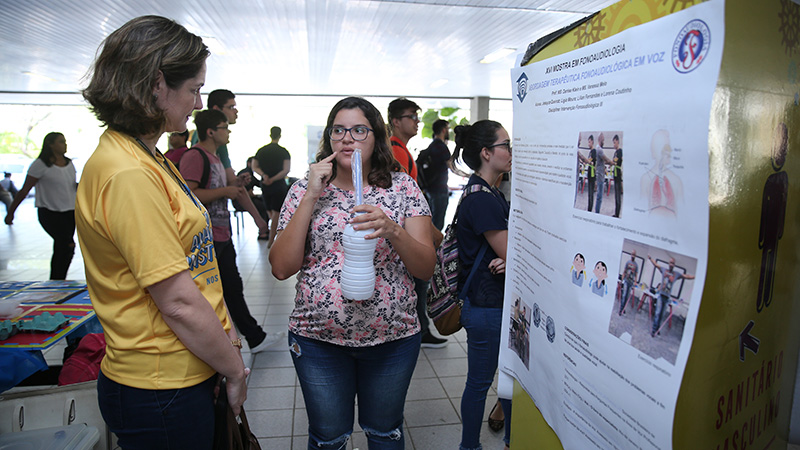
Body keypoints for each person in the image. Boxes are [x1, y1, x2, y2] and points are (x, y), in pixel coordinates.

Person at [77, 16, 248, 448]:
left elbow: (190, 264)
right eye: (193, 89)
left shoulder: (147, 156)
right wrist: (233, 368)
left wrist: (225, 331)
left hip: (182, 370)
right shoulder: (128, 173)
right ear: (156, 84)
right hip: (160, 387)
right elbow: (175, 302)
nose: (197, 103)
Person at [270, 96, 435, 449]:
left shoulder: (401, 186)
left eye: (359, 130)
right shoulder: (304, 187)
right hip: (318, 340)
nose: (348, 138)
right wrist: (312, 195)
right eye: (339, 130)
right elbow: (281, 267)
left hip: (393, 339)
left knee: (384, 432)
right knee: (329, 438)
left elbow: (425, 266)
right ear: (328, 138)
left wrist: (393, 230)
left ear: (376, 136)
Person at [180, 109, 280, 354]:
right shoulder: (196, 156)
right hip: (204, 239)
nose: (228, 132)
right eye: (225, 127)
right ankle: (235, 341)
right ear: (211, 131)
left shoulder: (216, 159)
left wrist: (234, 186)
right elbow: (187, 195)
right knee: (217, 293)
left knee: (232, 288)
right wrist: (224, 191)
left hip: (221, 234)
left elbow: (219, 189)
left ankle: (251, 337)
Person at [451, 119, 512, 450]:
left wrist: (512, 254)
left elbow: (508, 250)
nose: (510, 151)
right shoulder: (484, 199)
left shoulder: (482, 189)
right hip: (488, 307)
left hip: (489, 303)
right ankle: (469, 446)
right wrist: (513, 254)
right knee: (480, 384)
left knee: (497, 383)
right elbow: (508, 251)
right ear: (487, 153)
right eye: (505, 145)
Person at [388, 97, 448, 348]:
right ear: (395, 121)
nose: (416, 121)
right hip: (404, 232)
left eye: (416, 116)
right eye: (411, 116)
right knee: (420, 277)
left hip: (407, 230)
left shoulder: (401, 149)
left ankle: (419, 326)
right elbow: (404, 202)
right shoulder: (395, 152)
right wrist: (434, 233)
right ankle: (419, 328)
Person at [193, 88, 269, 239]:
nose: (236, 112)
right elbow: (192, 192)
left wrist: (236, 183)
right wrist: (257, 219)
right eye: (231, 107)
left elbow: (231, 183)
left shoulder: (219, 144)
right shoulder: (203, 146)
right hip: (205, 230)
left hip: (219, 228)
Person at [5, 132, 77, 280]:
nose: (65, 145)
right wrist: (11, 212)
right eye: (61, 142)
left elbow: (70, 186)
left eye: (65, 141)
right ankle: (56, 280)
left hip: (69, 212)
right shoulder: (40, 165)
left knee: (65, 248)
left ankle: (58, 280)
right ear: (50, 144)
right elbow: (24, 190)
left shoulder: (69, 163)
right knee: (66, 244)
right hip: (50, 212)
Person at [254, 126, 291, 248]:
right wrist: (274, 179)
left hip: (265, 184)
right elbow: (286, 170)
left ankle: (272, 237)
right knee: (276, 212)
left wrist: (265, 176)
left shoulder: (261, 151)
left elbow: (255, 166)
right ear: (279, 135)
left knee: (270, 210)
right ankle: (272, 239)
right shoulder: (283, 151)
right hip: (278, 185)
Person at [647, 256, 694, 337]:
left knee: (662, 315)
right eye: (670, 263)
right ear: (668, 264)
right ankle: (654, 330)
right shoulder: (664, 270)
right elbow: (655, 264)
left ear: (674, 265)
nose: (671, 264)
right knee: (657, 313)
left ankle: (657, 329)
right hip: (661, 296)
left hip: (667, 298)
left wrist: (696, 277)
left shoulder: (676, 274)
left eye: (673, 263)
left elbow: (687, 276)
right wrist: (650, 258)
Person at [419, 119, 451, 230]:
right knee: (438, 223)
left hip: (430, 188)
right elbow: (451, 166)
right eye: (448, 129)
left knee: (432, 220)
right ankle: (433, 246)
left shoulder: (432, 146)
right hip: (439, 190)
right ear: (443, 130)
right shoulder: (441, 147)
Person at [234, 156, 268, 223]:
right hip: (241, 202)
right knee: (264, 206)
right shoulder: (247, 174)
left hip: (239, 202)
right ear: (249, 163)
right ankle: (264, 227)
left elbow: (258, 184)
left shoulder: (249, 173)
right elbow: (250, 193)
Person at [593, 133, 613, 214]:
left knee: (599, 195)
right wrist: (612, 163)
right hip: (600, 176)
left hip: (600, 174)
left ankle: (597, 211)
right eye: (603, 140)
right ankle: (597, 212)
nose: (604, 141)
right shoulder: (599, 149)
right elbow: (606, 159)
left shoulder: (598, 149)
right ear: (600, 139)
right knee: (599, 196)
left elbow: (603, 162)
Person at [619, 250, 638, 315]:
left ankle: (623, 309)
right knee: (624, 295)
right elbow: (624, 271)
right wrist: (622, 279)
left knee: (627, 297)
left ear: (635, 256)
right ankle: (621, 309)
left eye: (634, 255)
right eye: (632, 254)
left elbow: (636, 275)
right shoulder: (628, 262)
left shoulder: (636, 265)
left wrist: (635, 282)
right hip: (626, 281)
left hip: (631, 282)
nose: (633, 256)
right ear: (631, 254)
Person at [612, 134, 623, 217]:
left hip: (618, 174)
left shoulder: (620, 151)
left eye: (615, 143)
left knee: (618, 195)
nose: (614, 145)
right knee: (616, 195)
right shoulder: (615, 152)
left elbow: (618, 162)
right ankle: (616, 213)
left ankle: (617, 214)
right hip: (615, 174)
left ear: (618, 142)